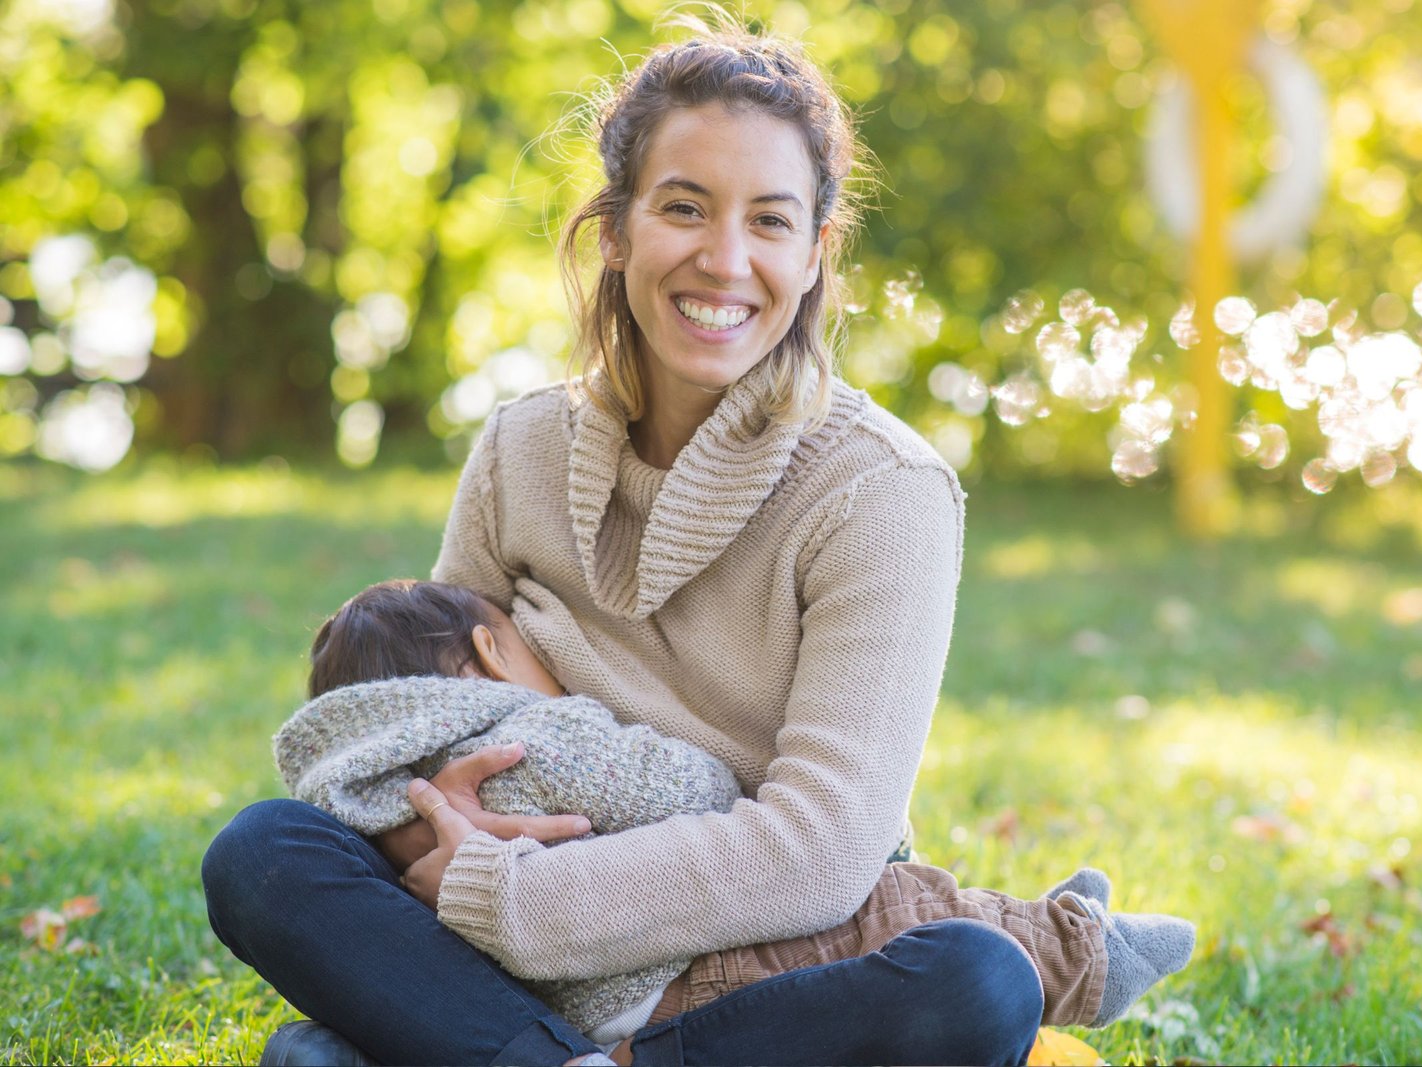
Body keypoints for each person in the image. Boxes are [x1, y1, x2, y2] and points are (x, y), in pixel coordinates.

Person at [203, 16, 1186, 1066]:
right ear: (618, 228)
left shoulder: (881, 491)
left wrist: (513, 893)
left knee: (975, 980)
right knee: (264, 852)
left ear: (814, 255)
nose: (724, 260)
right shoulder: (519, 447)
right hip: (517, 955)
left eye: (769, 221)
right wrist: (437, 824)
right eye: (683, 207)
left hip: (755, 966)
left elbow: (821, 851)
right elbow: (425, 718)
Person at [273, 578, 1194, 1052]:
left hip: (560, 1010)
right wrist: (723, 778)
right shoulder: (535, 735)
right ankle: (1078, 949)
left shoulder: (372, 794)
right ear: (490, 648)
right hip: (686, 969)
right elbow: (680, 794)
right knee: (910, 922)